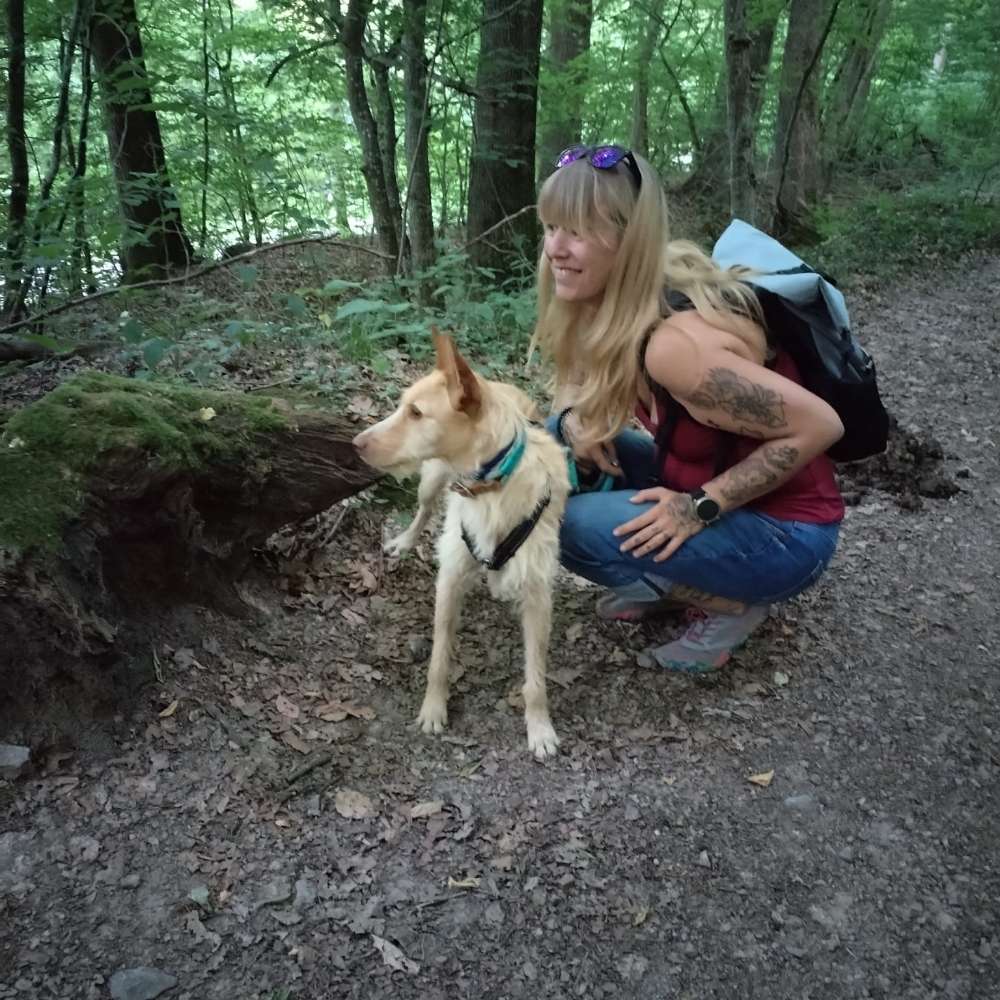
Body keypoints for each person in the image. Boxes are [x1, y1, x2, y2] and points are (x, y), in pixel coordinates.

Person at [529, 144, 845, 673]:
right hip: (709, 482)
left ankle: (732, 604)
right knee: (552, 449)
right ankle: (680, 579)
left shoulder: (675, 347)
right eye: (551, 227)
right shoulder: (612, 305)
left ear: (629, 240)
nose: (555, 248)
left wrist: (698, 508)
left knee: (568, 526)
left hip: (787, 533)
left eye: (578, 231)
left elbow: (820, 426)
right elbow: (574, 390)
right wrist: (576, 424)